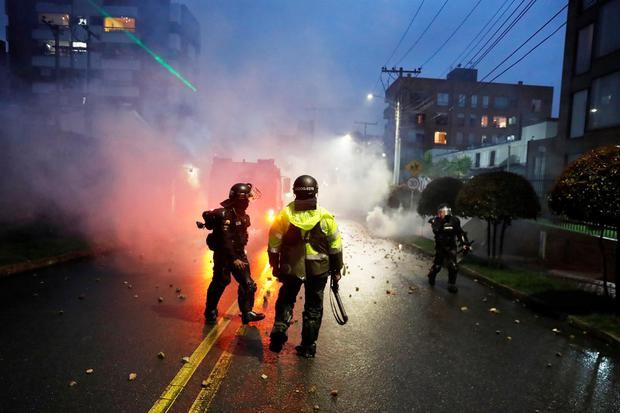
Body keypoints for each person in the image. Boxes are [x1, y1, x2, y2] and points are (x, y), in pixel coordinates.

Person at [267, 175, 343, 358]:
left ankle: (280, 327)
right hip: (319, 270)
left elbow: (273, 243)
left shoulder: (284, 215)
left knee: (286, 299)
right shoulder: (325, 216)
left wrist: (275, 265)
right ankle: (308, 346)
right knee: (313, 307)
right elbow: (335, 246)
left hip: (292, 268)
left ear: (295, 192)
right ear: (315, 191)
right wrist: (337, 270)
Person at [202, 183, 265, 325]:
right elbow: (226, 240)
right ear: (240, 199)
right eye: (246, 199)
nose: (248, 202)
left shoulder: (242, 215)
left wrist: (240, 253)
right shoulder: (225, 215)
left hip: (239, 254)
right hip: (224, 256)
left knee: (248, 284)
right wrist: (234, 259)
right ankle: (210, 310)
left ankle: (247, 313)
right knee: (220, 282)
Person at [427, 203, 471, 293]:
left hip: (451, 246)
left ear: (447, 211)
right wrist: (441, 224)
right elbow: (436, 231)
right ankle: (431, 275)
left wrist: (464, 243)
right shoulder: (436, 220)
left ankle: (451, 284)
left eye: (442, 212)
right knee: (437, 266)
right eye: (440, 212)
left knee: (453, 266)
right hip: (440, 246)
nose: (441, 214)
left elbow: (460, 232)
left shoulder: (455, 220)